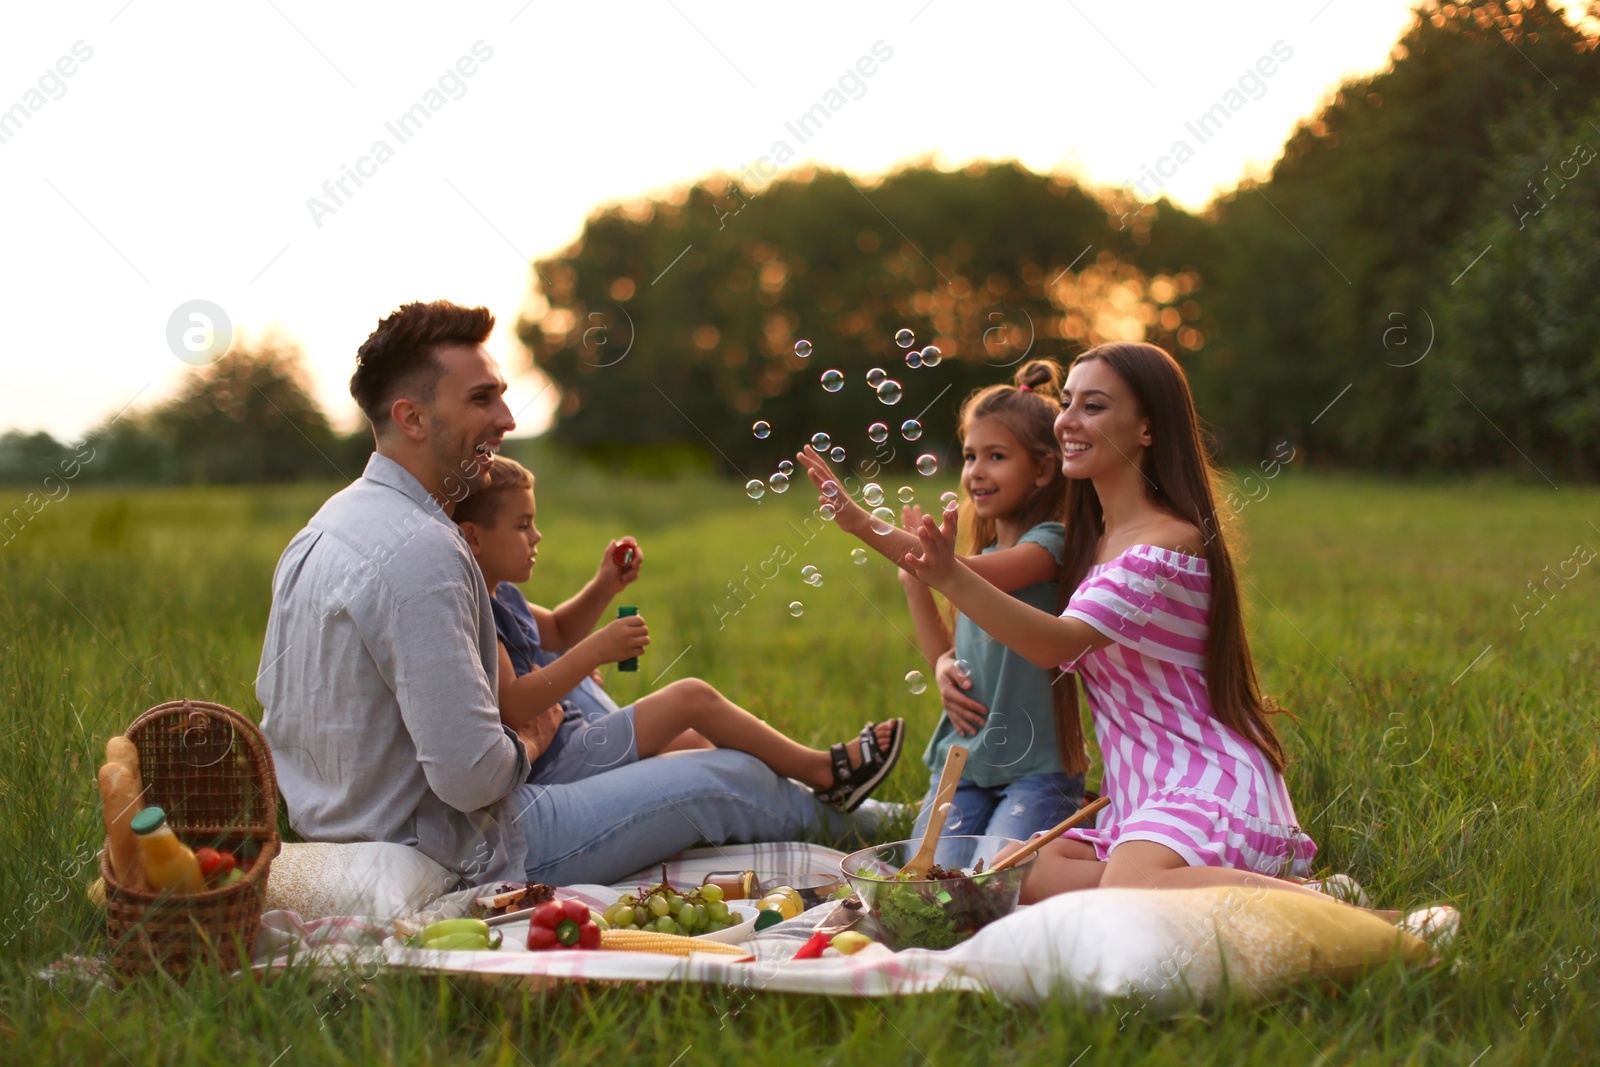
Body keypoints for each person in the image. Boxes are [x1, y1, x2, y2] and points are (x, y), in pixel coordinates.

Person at [257, 299, 890, 889]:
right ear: (412, 418)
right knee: (729, 775)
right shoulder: (424, 550)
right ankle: (885, 833)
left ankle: (855, 805)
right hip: (460, 845)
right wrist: (530, 741)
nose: (506, 420)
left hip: (349, 820)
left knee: (587, 690)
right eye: (483, 399)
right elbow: (472, 778)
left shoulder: (322, 529)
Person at [897, 341, 1335, 906]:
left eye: (1093, 406)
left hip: (1208, 784)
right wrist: (942, 658)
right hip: (1138, 798)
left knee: (1128, 893)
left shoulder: (1165, 544)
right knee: (1016, 879)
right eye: (1068, 403)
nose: (1067, 421)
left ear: (1147, 429)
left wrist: (948, 575)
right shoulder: (1088, 546)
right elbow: (994, 629)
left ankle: (1333, 903)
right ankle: (1238, 890)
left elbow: (1055, 645)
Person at [452, 453, 904, 811]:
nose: (537, 537)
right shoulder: (477, 611)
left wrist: (604, 584)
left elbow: (559, 629)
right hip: (555, 763)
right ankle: (825, 771)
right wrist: (595, 652)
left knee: (695, 744)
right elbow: (513, 704)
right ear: (473, 538)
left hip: (570, 740)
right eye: (523, 525)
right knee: (691, 698)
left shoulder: (504, 594)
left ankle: (787, 811)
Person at [795, 360, 1086, 843]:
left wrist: (861, 523)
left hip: (1040, 770)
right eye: (971, 456)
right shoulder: (981, 554)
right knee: (932, 882)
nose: (976, 471)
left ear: (1043, 469)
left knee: (995, 875)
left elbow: (955, 573)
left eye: (996, 456)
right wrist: (941, 665)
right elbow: (947, 647)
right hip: (964, 764)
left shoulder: (1048, 547)